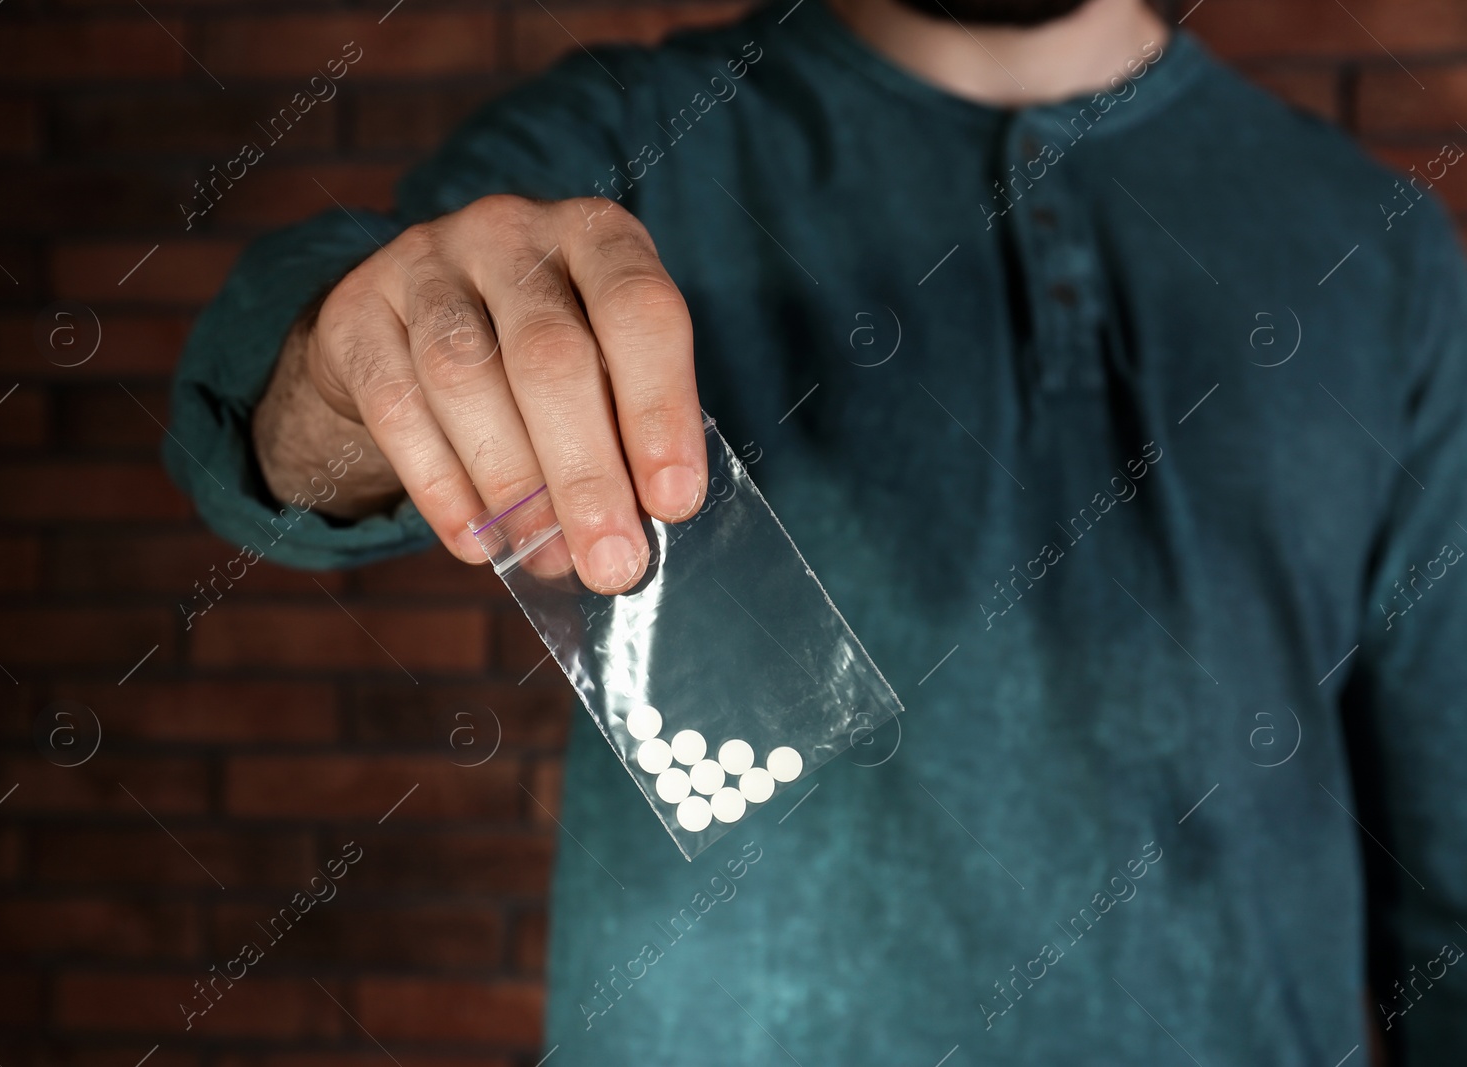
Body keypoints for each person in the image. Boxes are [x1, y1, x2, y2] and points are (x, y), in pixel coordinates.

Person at [165, 0, 1467, 1061]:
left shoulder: (1385, 252)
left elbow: (1450, 861)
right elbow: (283, 434)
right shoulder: (624, 142)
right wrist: (353, 368)